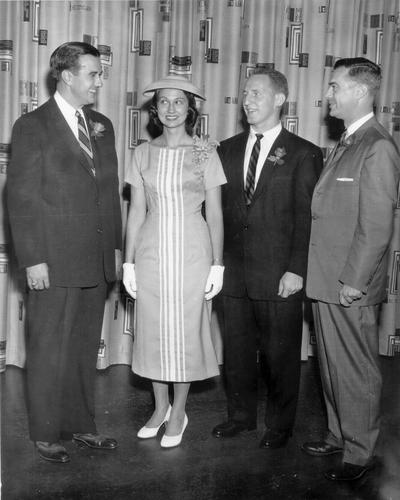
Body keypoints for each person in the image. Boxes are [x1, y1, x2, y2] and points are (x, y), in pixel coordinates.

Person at [7, 42, 122, 463]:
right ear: (67, 75)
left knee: (83, 346)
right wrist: (33, 258)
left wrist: (114, 252)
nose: (99, 81)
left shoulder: (103, 124)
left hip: (95, 259)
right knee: (49, 348)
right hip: (52, 260)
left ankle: (82, 426)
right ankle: (45, 432)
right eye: (92, 73)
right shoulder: (32, 126)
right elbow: (21, 199)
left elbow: (109, 194)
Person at [212, 68, 323, 449]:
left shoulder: (304, 153)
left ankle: (279, 426)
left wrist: (297, 269)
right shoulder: (224, 149)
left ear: (280, 99)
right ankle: (240, 418)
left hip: (280, 273)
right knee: (238, 351)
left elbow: (307, 218)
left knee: (280, 354)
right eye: (245, 93)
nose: (248, 100)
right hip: (234, 273)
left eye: (257, 93)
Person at [302, 57, 400, 481]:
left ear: (360, 92)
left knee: (355, 368)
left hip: (347, 282)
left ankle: (360, 453)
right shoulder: (349, 141)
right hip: (327, 277)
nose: (329, 93)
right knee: (332, 364)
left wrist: (354, 282)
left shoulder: (377, 146)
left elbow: (376, 226)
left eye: (336, 86)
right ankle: (340, 434)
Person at [123, 75, 226, 448]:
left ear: (190, 109)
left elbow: (215, 214)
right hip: (151, 251)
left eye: (178, 102)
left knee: (184, 331)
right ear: (155, 110)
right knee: (152, 330)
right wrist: (129, 263)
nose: (170, 109)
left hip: (193, 253)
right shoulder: (141, 153)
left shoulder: (205, 152)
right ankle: (160, 406)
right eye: (163, 102)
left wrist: (217, 264)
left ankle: (179, 412)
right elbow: (135, 212)